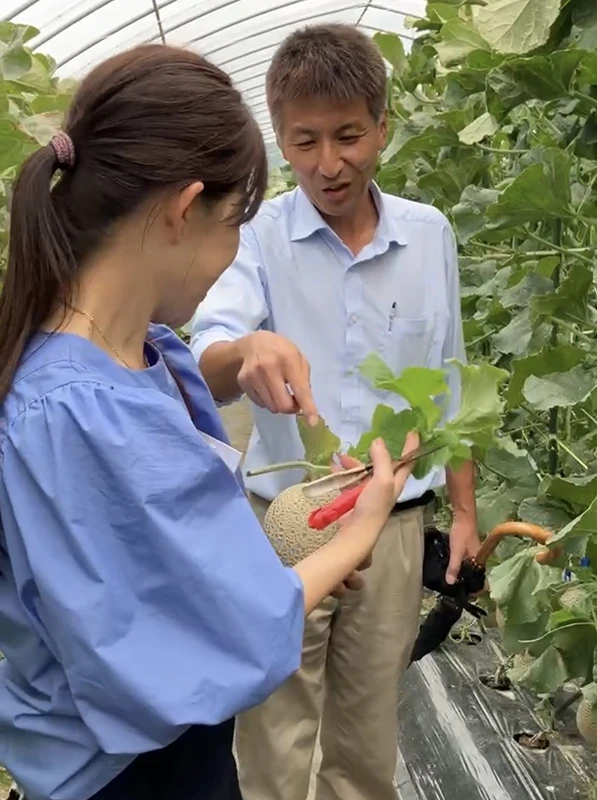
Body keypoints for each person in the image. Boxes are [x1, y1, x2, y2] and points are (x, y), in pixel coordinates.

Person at [0, 43, 419, 800]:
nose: (232, 256)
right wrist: (359, 527)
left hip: (158, 755)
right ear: (184, 209)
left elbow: (170, 572)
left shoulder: (139, 354)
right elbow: (223, 626)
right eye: (231, 226)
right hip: (122, 776)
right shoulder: (81, 410)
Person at [191, 23, 480, 800]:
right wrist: (245, 348)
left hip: (390, 527)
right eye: (305, 140)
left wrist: (461, 510)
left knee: (365, 737)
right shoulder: (257, 233)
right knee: (273, 736)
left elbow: (449, 381)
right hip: (284, 522)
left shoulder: (428, 235)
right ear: (281, 141)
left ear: (382, 127)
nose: (328, 163)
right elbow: (210, 349)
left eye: (349, 136)